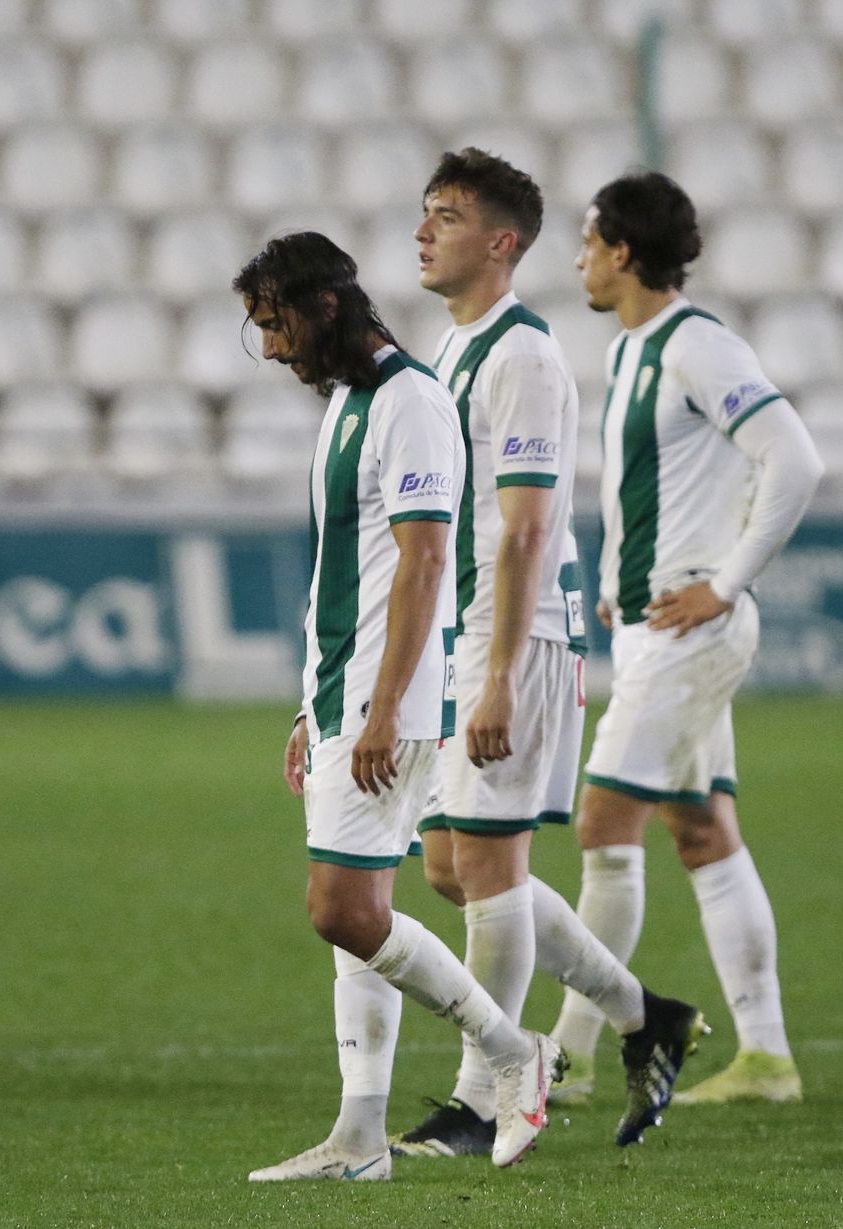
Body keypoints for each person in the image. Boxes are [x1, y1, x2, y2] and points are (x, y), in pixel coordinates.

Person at [392, 149, 707, 1159]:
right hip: (466, 632)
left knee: (486, 866)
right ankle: (641, 1012)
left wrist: (494, 673)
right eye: (424, 212)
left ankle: (485, 1093)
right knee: (450, 865)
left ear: (501, 241)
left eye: (444, 215)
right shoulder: (451, 353)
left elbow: (527, 528)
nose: (421, 230)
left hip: (511, 637)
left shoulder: (521, 358)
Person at [234, 232, 560, 1183]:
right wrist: (313, 703)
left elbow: (424, 560)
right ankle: (360, 1136)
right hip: (343, 690)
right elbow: (351, 570)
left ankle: (511, 1052)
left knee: (343, 908)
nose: (274, 347)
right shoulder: (346, 404)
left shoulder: (412, 403)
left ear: (328, 304)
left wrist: (381, 708)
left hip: (392, 699)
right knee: (355, 910)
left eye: (278, 322)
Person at [547, 172, 825, 1108]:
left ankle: (571, 1056)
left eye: (588, 241)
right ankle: (768, 1058)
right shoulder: (635, 352)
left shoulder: (699, 346)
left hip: (692, 630)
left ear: (624, 250)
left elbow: (795, 456)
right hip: (655, 624)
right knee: (701, 830)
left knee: (601, 825)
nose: (579, 258)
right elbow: (664, 489)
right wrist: (624, 589)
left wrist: (725, 581)